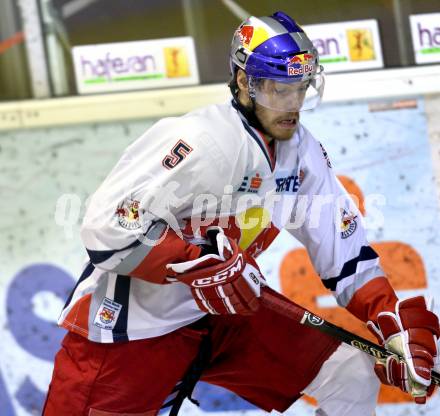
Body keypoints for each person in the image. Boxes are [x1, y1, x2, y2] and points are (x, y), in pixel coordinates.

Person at [43, 11, 439, 416]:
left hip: (225, 316)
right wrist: (194, 263)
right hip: (135, 329)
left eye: (301, 88)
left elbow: (345, 254)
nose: (293, 105)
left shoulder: (301, 154)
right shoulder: (198, 141)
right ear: (244, 82)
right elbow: (105, 229)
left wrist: (390, 322)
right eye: (278, 90)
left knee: (350, 377)